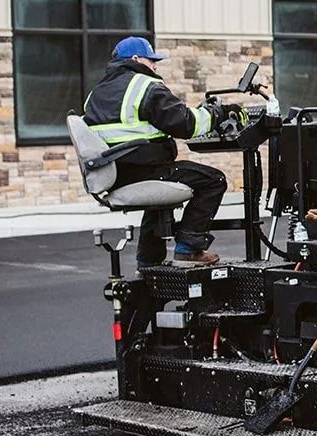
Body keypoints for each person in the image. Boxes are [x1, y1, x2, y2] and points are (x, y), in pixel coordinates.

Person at [83, 36, 229, 268]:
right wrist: (217, 113)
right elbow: (186, 124)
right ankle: (188, 248)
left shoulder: (96, 93)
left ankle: (148, 260)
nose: (155, 66)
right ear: (135, 59)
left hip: (116, 174)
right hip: (141, 169)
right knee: (214, 180)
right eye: (151, 60)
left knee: (160, 192)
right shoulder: (144, 86)